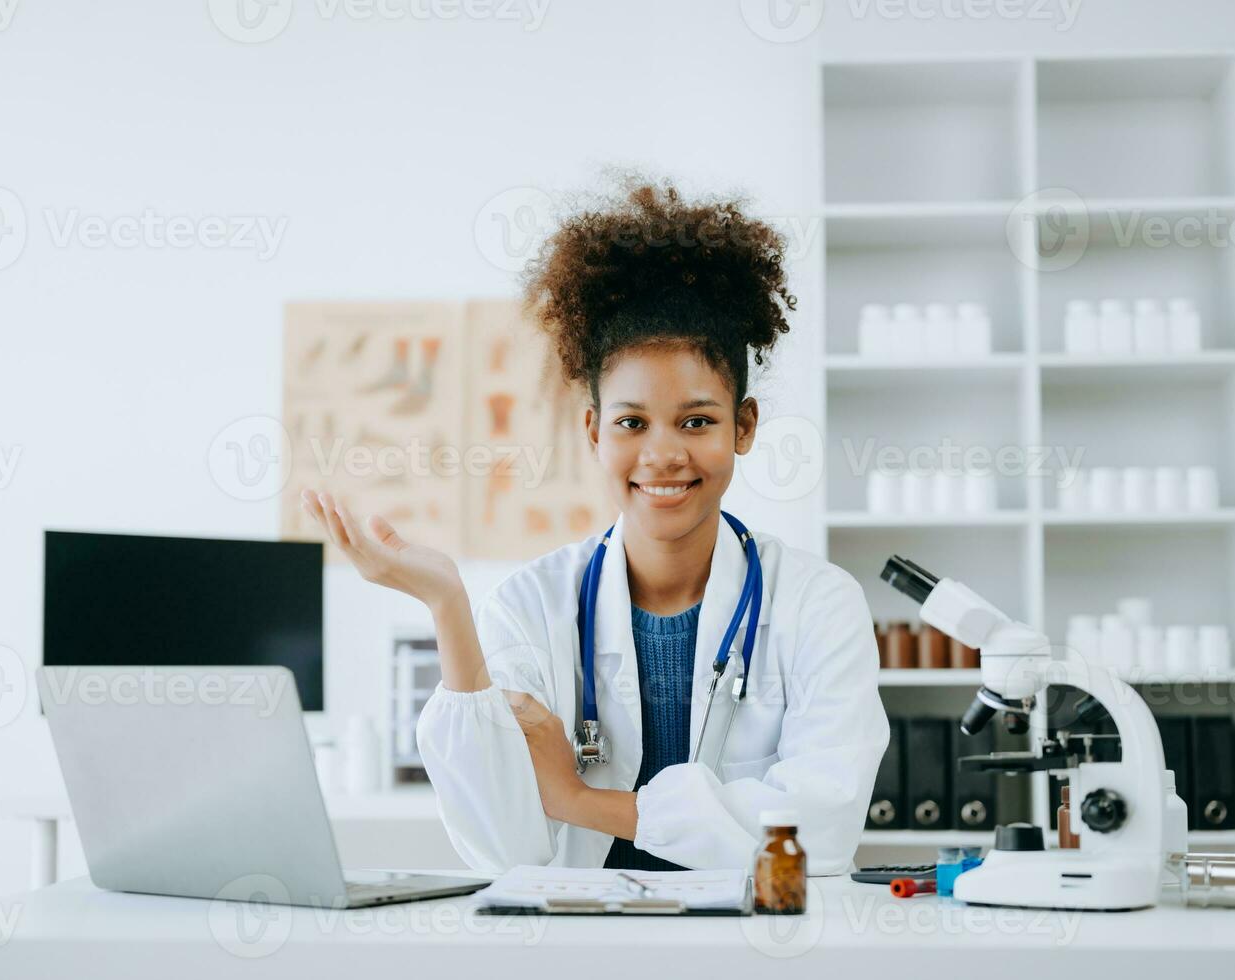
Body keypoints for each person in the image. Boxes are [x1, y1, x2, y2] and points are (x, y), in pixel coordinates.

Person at [300, 178, 888, 874]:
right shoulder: (529, 606)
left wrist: (579, 799)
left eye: (697, 421)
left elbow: (817, 832)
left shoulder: (817, 604)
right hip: (587, 946)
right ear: (593, 431)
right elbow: (503, 845)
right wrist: (446, 604)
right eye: (632, 422)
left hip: (756, 944)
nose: (664, 454)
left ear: (745, 427)